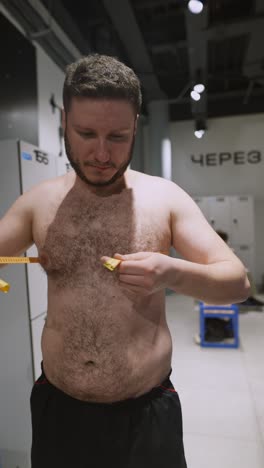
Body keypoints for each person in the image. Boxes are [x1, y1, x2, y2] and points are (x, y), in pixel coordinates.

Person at [0, 54, 250, 468]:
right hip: (59, 410)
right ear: (65, 121)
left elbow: (237, 283)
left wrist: (171, 272)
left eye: (117, 136)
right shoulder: (37, 203)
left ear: (136, 125)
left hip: (146, 414)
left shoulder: (164, 198)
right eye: (86, 133)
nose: (101, 153)